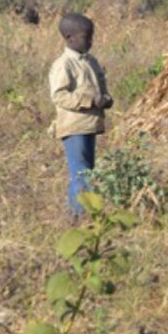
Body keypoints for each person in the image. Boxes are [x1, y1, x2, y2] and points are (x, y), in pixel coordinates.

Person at [48, 13, 113, 217]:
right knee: (82, 174)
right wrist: (90, 101)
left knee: (86, 172)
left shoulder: (90, 61)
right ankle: (83, 216)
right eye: (86, 37)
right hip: (74, 126)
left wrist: (106, 98)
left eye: (92, 36)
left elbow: (100, 87)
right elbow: (59, 96)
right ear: (69, 37)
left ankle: (75, 215)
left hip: (90, 124)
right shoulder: (64, 64)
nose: (91, 41)